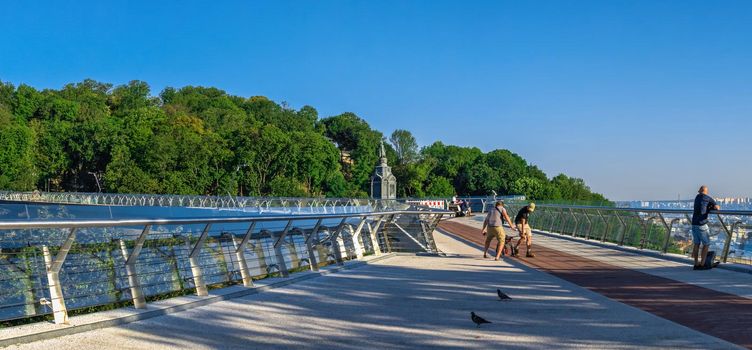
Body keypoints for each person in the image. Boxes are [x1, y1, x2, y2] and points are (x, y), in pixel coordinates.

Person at [691, 185, 720, 270]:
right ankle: (703, 264)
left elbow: (702, 206)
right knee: (706, 244)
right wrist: (711, 207)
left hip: (694, 223)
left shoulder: (697, 197)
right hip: (701, 224)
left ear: (700, 191)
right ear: (706, 191)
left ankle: (696, 264)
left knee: (696, 244)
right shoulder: (708, 198)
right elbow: (717, 208)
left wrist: (708, 207)